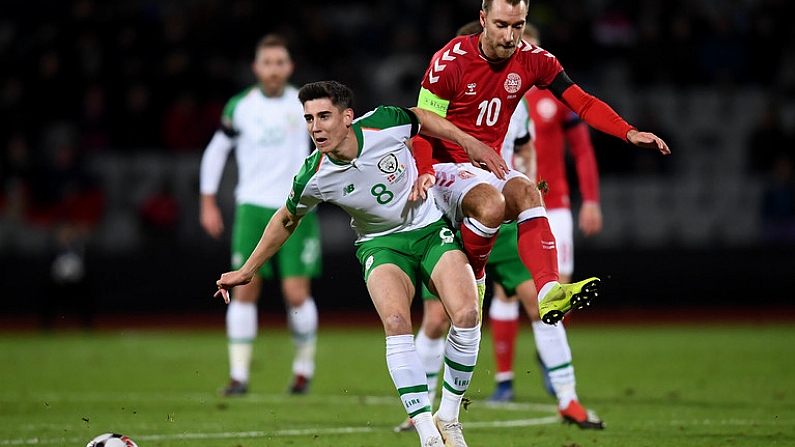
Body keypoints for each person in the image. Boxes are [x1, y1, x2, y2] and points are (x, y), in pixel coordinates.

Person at [215, 80, 497, 447]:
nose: (315, 127)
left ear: (347, 117)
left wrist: (468, 142)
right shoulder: (314, 174)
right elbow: (286, 219)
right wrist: (248, 270)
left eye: (324, 116)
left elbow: (423, 120)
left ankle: (450, 416)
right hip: (381, 246)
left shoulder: (383, 123)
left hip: (429, 229)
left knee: (467, 315)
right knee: (397, 322)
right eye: (308, 119)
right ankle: (428, 434)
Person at [412, 0, 670, 328]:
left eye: (517, 25)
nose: (510, 36)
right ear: (483, 19)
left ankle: (549, 290)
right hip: (441, 168)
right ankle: (475, 279)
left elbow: (583, 101)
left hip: (483, 169)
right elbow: (421, 126)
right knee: (490, 208)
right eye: (502, 25)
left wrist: (628, 132)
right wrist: (423, 171)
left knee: (529, 193)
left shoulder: (534, 60)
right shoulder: (450, 61)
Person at [487, 23, 603, 418]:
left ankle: (555, 376)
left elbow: (583, 149)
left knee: (554, 292)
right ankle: (504, 379)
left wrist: (590, 201)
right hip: (505, 205)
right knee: (505, 293)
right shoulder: (495, 96)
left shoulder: (552, 96)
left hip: (553, 204)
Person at [199, 34, 323, 396]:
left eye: (279, 62)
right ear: (256, 68)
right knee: (244, 290)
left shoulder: (306, 104)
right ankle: (238, 375)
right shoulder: (241, 106)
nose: (273, 69)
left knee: (296, 292)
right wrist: (207, 201)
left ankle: (303, 370)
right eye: (267, 63)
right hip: (252, 207)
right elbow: (216, 151)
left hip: (295, 206)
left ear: (290, 67)